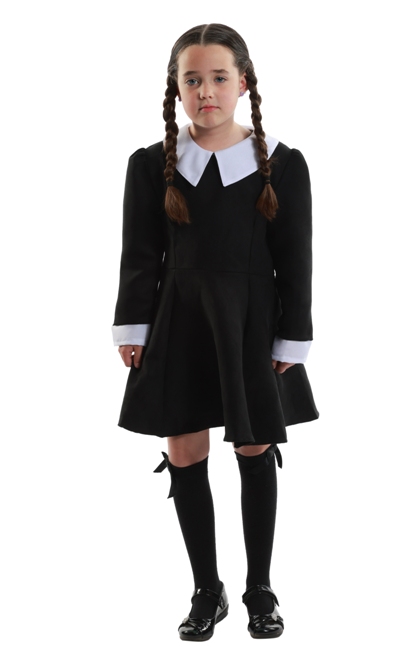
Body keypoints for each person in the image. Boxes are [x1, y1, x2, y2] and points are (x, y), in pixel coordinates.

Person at [112, 23, 319, 641]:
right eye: (193, 80)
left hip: (251, 325)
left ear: (243, 83)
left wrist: (293, 336)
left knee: (253, 447)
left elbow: (296, 259)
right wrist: (133, 327)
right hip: (178, 321)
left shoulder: (282, 164)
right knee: (184, 450)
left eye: (219, 78)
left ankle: (260, 588)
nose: (206, 91)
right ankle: (208, 589)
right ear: (176, 88)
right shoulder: (152, 165)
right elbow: (139, 256)